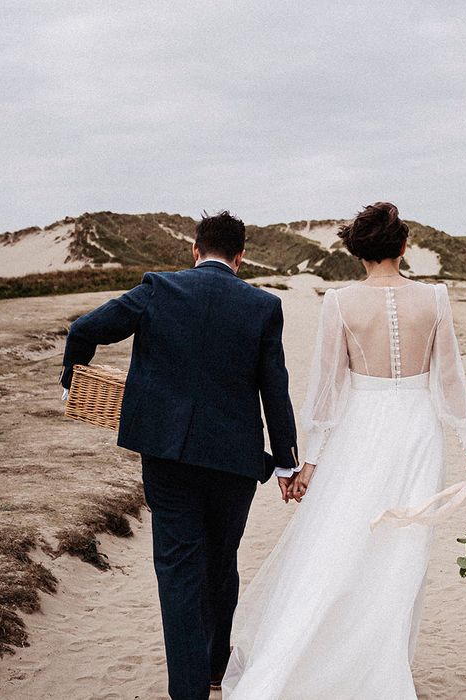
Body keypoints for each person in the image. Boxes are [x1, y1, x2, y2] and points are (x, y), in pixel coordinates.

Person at [222, 202, 466, 699]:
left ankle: (347, 660)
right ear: (404, 246)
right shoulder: (435, 298)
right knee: (402, 550)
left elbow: (325, 391)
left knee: (340, 540)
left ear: (357, 252)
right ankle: (382, 668)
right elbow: (451, 382)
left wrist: (311, 461)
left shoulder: (340, 302)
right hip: (418, 434)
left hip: (360, 431)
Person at [59, 211, 299, 700]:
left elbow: (85, 329)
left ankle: (188, 691)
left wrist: (73, 380)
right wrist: (287, 461)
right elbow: (276, 388)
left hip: (168, 456)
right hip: (235, 462)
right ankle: (215, 666)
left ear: (195, 249)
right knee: (221, 558)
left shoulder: (157, 289)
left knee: (178, 567)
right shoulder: (263, 306)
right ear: (240, 256)